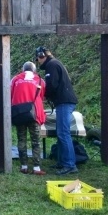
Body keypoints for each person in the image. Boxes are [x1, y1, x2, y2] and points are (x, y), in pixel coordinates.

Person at [36, 46, 79, 175]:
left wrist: (42, 94)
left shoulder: (51, 66)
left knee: (63, 133)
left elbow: (52, 85)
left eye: (38, 58)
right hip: (64, 101)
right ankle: (63, 162)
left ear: (42, 56)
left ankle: (70, 165)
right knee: (61, 133)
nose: (38, 61)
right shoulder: (55, 63)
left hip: (64, 102)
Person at [10, 61, 47, 175]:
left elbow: (10, 94)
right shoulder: (40, 80)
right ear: (34, 70)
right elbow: (42, 96)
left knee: (21, 139)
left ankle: (24, 166)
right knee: (36, 141)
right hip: (34, 114)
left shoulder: (15, 79)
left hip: (19, 114)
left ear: (23, 69)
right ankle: (36, 167)